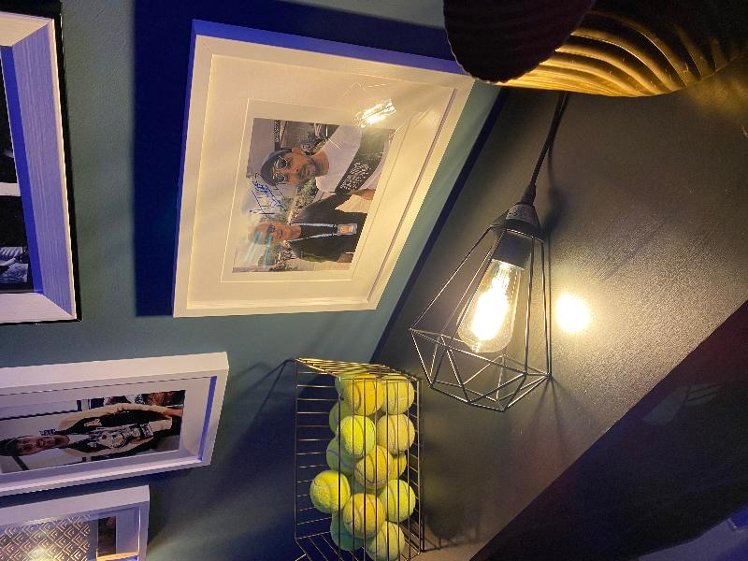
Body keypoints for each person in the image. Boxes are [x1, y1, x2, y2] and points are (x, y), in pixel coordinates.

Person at [0, 402, 183, 460]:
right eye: (27, 449)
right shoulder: (75, 452)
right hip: (160, 436)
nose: (32, 444)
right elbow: (117, 450)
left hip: (161, 414)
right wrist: (141, 441)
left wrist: (164, 410)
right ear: (32, 453)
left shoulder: (67, 422)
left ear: (28, 436)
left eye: (25, 441)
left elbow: (119, 407)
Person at [259, 125, 392, 197]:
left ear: (297, 151)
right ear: (291, 183)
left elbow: (391, 132)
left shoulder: (343, 136)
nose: (295, 171)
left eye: (287, 163)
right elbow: (362, 192)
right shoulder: (324, 186)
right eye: (286, 177)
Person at [254, 190, 373, 263]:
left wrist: (365, 192)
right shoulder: (302, 253)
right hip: (367, 246)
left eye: (271, 229)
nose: (275, 233)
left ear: (275, 222)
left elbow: (343, 195)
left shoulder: (309, 211)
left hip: (371, 221)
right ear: (272, 243)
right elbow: (341, 258)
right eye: (269, 238)